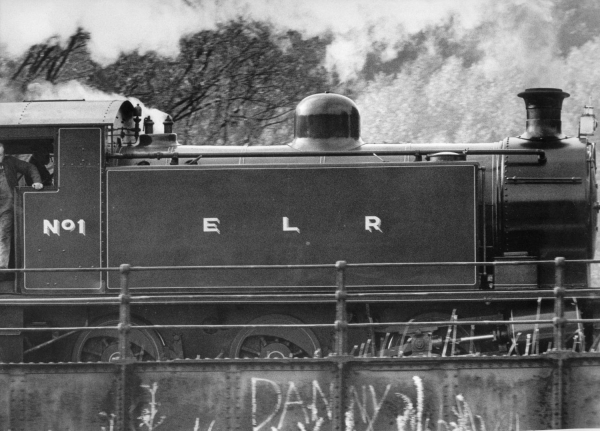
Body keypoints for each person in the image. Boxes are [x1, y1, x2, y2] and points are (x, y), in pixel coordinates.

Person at [0, 143, 43, 270]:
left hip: (7, 205)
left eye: (0, 155)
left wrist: (37, 181)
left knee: (3, 235)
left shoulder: (10, 162)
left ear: (4, 154)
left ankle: (1, 269)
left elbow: (30, 167)